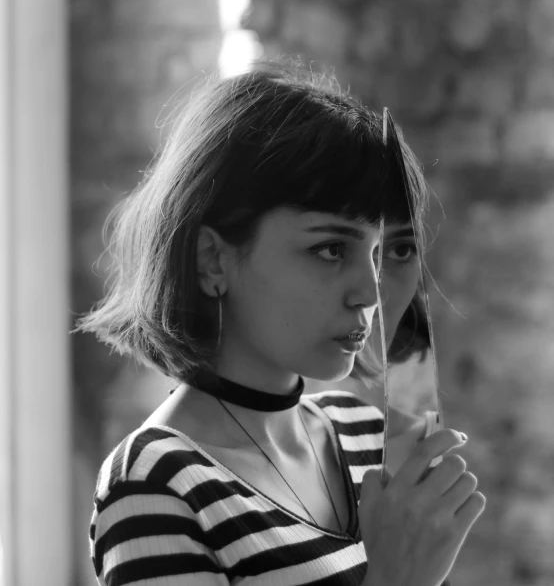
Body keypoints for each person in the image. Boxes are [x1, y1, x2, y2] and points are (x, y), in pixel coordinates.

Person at [79, 60, 486, 586]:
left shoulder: (370, 440)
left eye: (383, 251)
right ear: (212, 260)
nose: (370, 292)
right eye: (331, 248)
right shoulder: (155, 484)